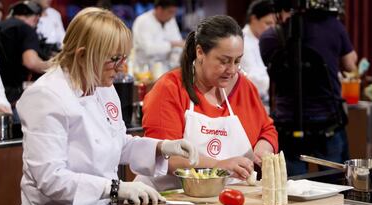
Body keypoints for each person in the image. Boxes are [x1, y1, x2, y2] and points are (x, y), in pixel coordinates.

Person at [16, 7, 199, 205]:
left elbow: (116, 143)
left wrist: (161, 147)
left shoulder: (104, 87)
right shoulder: (46, 96)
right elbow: (51, 178)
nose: (121, 67)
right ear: (83, 55)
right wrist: (115, 188)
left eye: (123, 58)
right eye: (114, 59)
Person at [138, 15, 278, 190]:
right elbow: (164, 156)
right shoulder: (169, 88)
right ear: (200, 52)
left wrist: (263, 149)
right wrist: (218, 166)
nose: (232, 70)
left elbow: (267, 129)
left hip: (228, 198)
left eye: (237, 61)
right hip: (170, 198)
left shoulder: (245, 87)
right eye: (224, 61)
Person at [259, 0, 358, 176]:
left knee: (293, 190)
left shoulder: (269, 37)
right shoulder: (334, 27)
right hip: (327, 123)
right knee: (335, 188)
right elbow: (350, 65)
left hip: (287, 124)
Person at [0, 0, 50, 106]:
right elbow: (31, 62)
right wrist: (56, 66)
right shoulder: (26, 29)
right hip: (14, 97)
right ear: (36, 18)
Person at [240, 0, 276, 104]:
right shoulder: (243, 42)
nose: (272, 28)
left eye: (275, 24)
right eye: (268, 23)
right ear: (253, 19)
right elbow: (253, 79)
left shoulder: (263, 40)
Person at [132, 0, 184, 70]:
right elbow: (149, 49)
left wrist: (175, 63)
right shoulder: (142, 21)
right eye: (170, 12)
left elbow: (179, 45)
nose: (172, 15)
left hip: (167, 68)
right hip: (145, 69)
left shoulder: (171, 20)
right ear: (159, 9)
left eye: (174, 12)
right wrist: (172, 44)